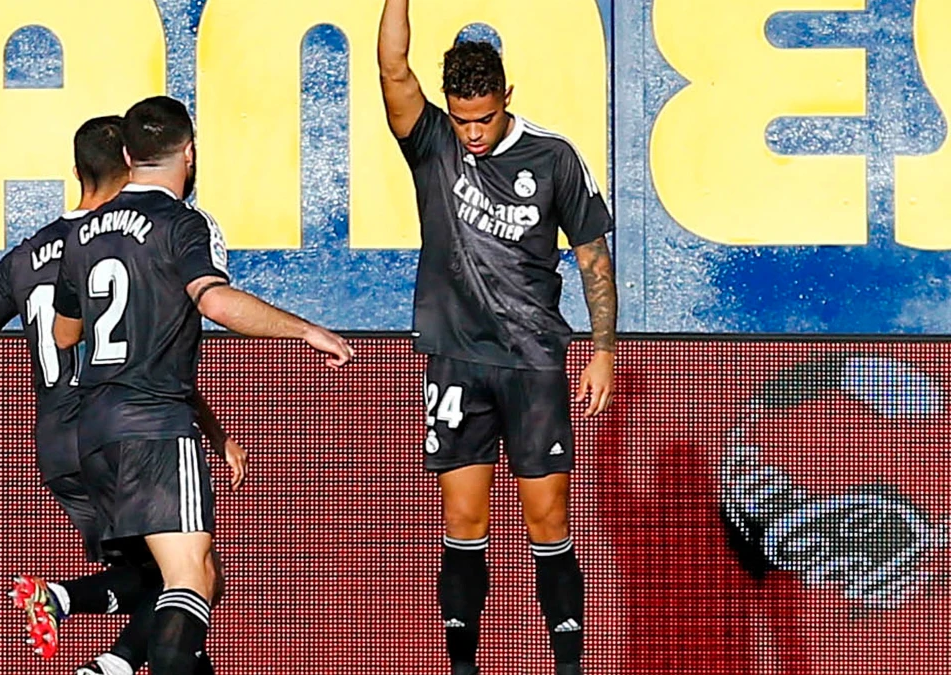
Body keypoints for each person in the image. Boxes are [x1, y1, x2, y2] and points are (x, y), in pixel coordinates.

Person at [51, 95, 354, 675]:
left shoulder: (84, 234)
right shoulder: (184, 223)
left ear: (125, 154)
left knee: (171, 583)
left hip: (94, 431)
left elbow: (66, 334)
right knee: (193, 579)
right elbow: (214, 299)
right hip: (155, 426)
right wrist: (305, 330)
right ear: (188, 153)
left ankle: (110, 665)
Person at [0, 116, 242, 675]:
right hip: (130, 424)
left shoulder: (29, 253)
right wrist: (215, 430)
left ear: (76, 170)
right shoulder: (142, 233)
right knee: (189, 576)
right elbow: (156, 351)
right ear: (131, 164)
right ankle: (76, 618)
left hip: (63, 446)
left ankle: (103, 655)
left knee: (164, 581)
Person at [377, 2, 618, 673]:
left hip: (534, 359)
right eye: (462, 118)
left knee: (547, 518)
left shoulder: (554, 157)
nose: (473, 132)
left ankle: (567, 662)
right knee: (463, 521)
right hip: (455, 358)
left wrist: (602, 350)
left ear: (506, 96)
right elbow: (392, 65)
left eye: (483, 117)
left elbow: (594, 258)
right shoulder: (432, 142)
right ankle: (462, 664)